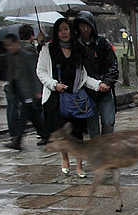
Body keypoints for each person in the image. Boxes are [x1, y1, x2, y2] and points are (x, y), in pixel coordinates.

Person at [37, 17, 100, 176]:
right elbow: (41, 71)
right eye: (59, 30)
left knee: (77, 132)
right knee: (60, 132)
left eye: (66, 29)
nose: (63, 33)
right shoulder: (48, 49)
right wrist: (53, 84)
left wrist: (98, 85)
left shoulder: (78, 49)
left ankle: (79, 165)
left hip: (75, 96)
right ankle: (65, 159)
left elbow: (84, 77)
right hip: (56, 98)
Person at [75, 10, 119, 136]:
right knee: (93, 127)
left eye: (87, 25)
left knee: (108, 122)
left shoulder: (102, 43)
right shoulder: (76, 46)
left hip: (105, 88)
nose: (85, 29)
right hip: (87, 91)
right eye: (82, 25)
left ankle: (107, 147)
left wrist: (107, 81)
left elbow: (113, 65)